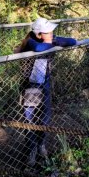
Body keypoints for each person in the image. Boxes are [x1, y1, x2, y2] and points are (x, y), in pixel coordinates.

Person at [15, 17, 76, 167]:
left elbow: (72, 41)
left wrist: (54, 40)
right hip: (31, 86)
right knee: (30, 122)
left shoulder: (49, 40)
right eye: (48, 32)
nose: (52, 34)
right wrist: (52, 43)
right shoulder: (31, 42)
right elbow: (38, 49)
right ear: (38, 34)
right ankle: (31, 150)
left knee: (45, 118)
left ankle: (41, 144)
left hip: (45, 84)